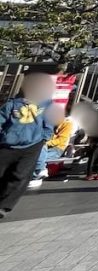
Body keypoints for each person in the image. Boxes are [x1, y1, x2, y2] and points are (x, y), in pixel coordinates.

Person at [0, 74, 56, 219]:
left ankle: (4, 206)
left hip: (32, 146)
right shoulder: (12, 104)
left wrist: (44, 138)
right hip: (7, 145)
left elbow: (49, 123)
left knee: (20, 176)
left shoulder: (46, 105)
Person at [31, 109, 74, 186]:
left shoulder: (67, 123)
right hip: (46, 146)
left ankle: (37, 175)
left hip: (58, 148)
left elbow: (61, 140)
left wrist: (46, 143)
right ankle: (39, 171)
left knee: (37, 157)